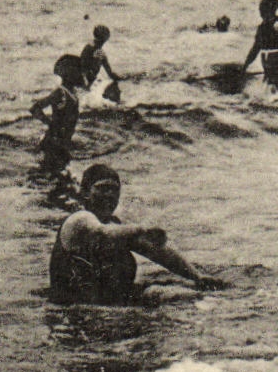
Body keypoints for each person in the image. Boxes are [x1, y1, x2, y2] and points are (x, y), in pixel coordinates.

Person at [49, 164, 223, 304]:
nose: (109, 195)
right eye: (102, 188)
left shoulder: (116, 226)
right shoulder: (79, 220)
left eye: (114, 190)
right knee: (173, 296)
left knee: (187, 295)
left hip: (110, 301)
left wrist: (197, 277)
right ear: (85, 193)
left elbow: (157, 252)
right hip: (75, 304)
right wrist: (143, 229)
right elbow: (103, 233)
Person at [31, 54, 86, 174]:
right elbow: (35, 108)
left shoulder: (72, 93)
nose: (81, 75)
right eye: (78, 71)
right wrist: (51, 124)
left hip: (61, 142)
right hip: (54, 143)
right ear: (69, 74)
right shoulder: (61, 93)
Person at [241, 0, 278, 92]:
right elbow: (255, 48)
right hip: (269, 67)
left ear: (269, 10)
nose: (260, 12)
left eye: (262, 9)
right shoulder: (262, 27)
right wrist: (245, 66)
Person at [80, 25, 121, 98]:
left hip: (84, 77)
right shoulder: (98, 51)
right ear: (105, 38)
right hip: (88, 78)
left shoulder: (89, 46)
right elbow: (108, 70)